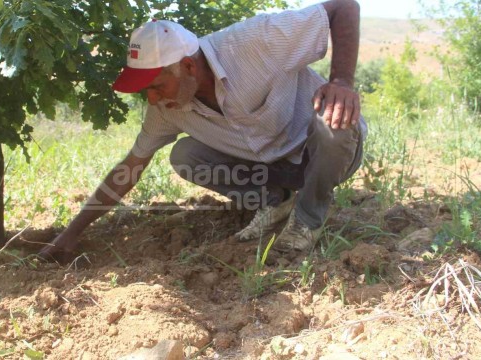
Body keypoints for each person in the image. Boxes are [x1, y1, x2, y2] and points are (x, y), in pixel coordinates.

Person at [39, 0, 367, 261]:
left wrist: (340, 81)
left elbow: (344, 7)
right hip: (274, 170)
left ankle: (307, 220)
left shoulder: (257, 41)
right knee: (185, 155)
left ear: (188, 66)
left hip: (325, 155)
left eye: (156, 85)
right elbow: (130, 167)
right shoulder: (166, 108)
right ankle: (275, 200)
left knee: (333, 121)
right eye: (145, 91)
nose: (152, 98)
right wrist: (71, 232)